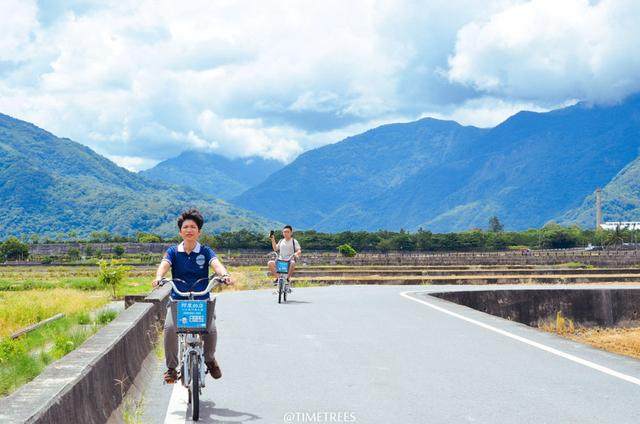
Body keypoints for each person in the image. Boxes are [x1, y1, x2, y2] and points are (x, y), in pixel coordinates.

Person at [152, 208, 232, 383]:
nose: (189, 230)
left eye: (193, 227)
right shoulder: (173, 251)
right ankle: (172, 368)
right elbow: (164, 264)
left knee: (210, 330)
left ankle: (210, 360)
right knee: (170, 329)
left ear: (199, 231)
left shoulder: (205, 251)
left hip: (201, 301)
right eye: (186, 227)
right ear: (180, 231)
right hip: (178, 301)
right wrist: (159, 277)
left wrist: (224, 275)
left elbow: (216, 264)